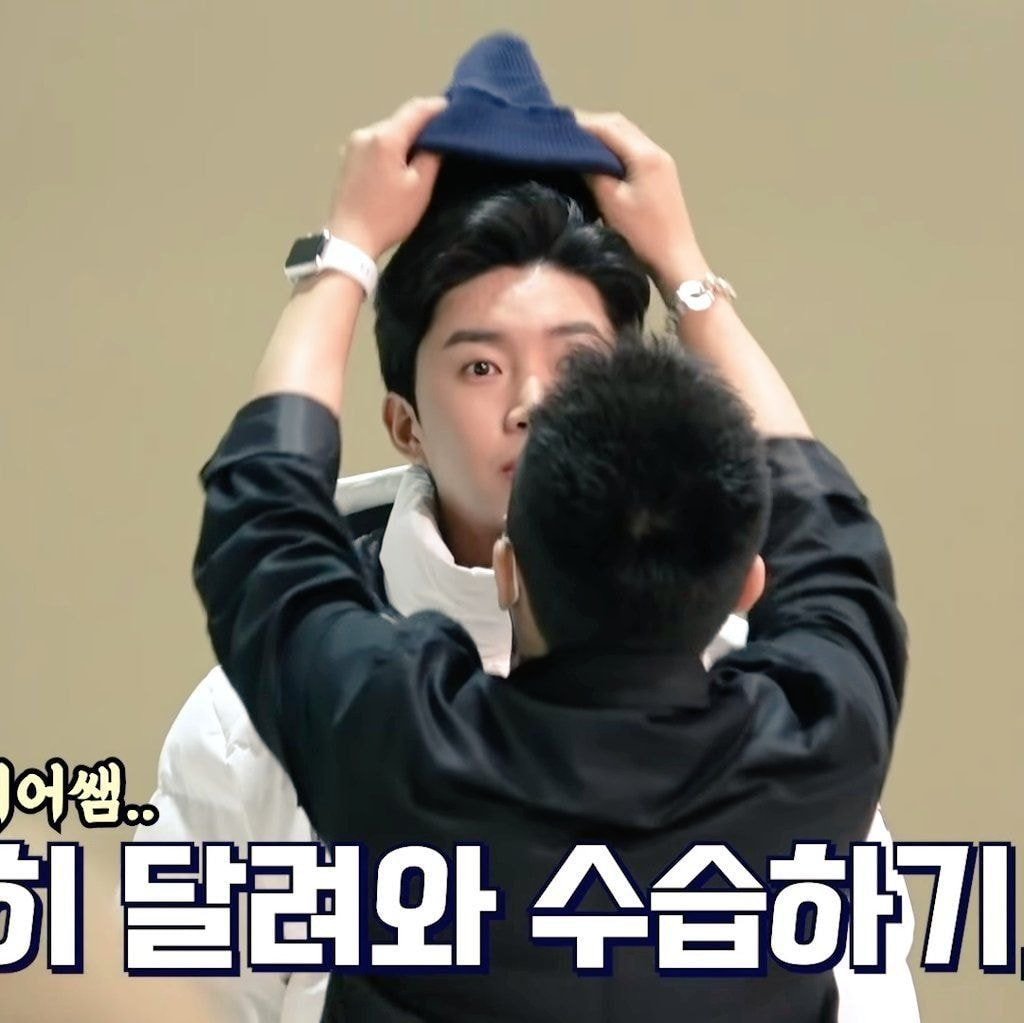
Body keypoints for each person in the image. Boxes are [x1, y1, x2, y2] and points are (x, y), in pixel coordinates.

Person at [142, 102, 919, 1020]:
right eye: (481, 367)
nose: (533, 404)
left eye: (578, 366)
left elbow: (264, 524)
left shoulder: (375, 726)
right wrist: (689, 277)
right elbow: (829, 532)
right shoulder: (815, 738)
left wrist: (344, 252)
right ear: (403, 422)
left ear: (513, 571)